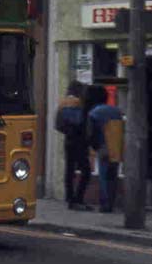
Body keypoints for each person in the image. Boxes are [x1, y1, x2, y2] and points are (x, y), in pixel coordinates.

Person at [86, 85, 124, 213]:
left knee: (103, 176)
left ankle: (105, 204)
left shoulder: (94, 112)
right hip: (116, 147)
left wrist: (93, 145)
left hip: (103, 146)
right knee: (113, 176)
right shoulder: (116, 111)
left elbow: (90, 132)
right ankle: (111, 202)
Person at [55, 80, 91, 210]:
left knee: (69, 170)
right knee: (86, 171)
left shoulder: (62, 103)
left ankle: (70, 198)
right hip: (79, 140)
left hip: (68, 140)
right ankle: (78, 199)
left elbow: (57, 125)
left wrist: (67, 131)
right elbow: (80, 122)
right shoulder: (77, 103)